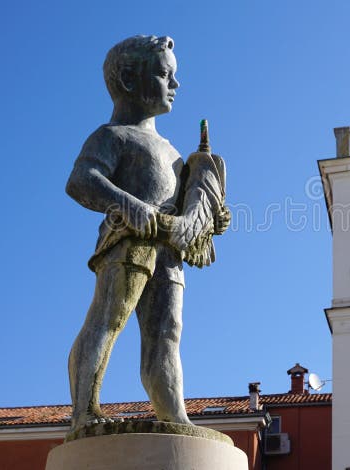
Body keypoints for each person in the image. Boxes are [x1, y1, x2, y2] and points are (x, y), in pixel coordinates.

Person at [65, 35, 229, 433]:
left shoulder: (174, 151)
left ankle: (175, 414)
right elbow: (81, 180)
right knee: (109, 319)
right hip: (129, 241)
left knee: (167, 334)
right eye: (164, 74)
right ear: (127, 77)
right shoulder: (112, 136)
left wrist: (212, 219)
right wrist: (129, 205)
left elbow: (193, 207)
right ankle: (85, 412)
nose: (175, 84)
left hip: (170, 246)